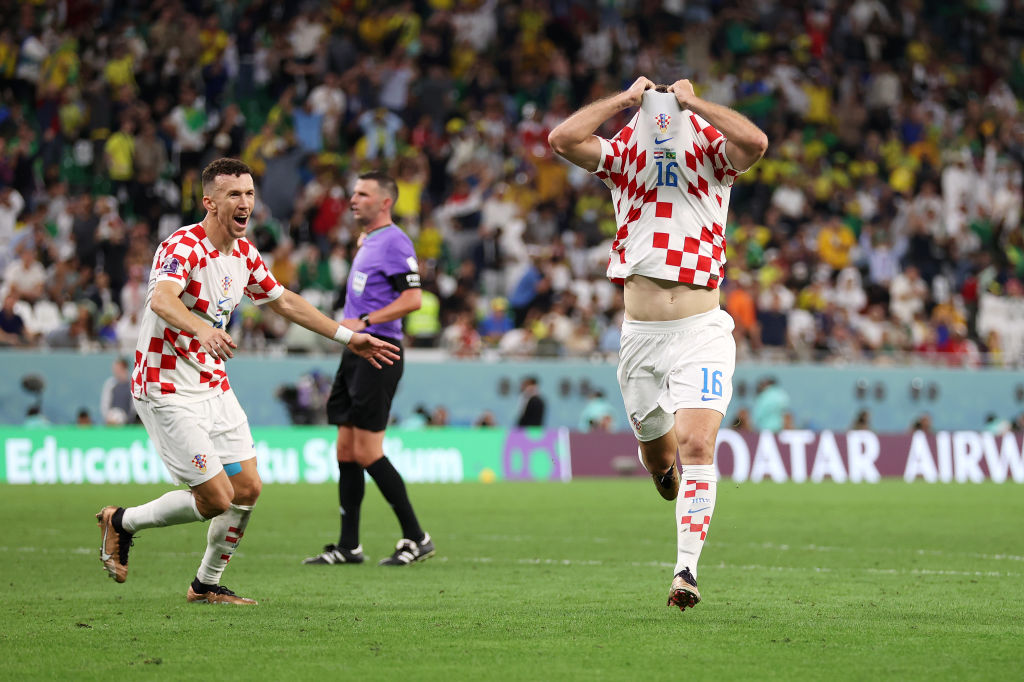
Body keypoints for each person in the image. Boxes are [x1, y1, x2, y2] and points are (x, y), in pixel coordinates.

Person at [94, 158, 399, 605]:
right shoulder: (182, 246)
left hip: (212, 384)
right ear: (210, 201)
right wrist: (202, 329)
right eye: (234, 194)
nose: (245, 203)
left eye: (250, 194)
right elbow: (161, 299)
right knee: (217, 498)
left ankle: (206, 584)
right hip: (166, 386)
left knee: (248, 488)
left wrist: (348, 337)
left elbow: (285, 302)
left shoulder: (244, 255)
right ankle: (121, 522)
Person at [549, 77, 767, 611]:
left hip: (702, 331)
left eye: (671, 109)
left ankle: (685, 570)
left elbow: (757, 143)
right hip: (641, 338)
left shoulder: (713, 153)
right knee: (659, 454)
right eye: (655, 109)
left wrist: (695, 102)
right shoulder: (624, 153)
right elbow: (561, 138)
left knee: (698, 446)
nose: (663, 118)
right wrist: (623, 100)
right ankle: (661, 470)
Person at [303, 171, 435, 568]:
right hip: (354, 351)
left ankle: (417, 537)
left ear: (385, 202)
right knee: (345, 448)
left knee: (366, 450)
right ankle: (349, 546)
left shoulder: (395, 241)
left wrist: (365, 321)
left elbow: (413, 298)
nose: (353, 199)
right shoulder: (371, 241)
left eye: (363, 194)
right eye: (353, 192)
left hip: (379, 350)